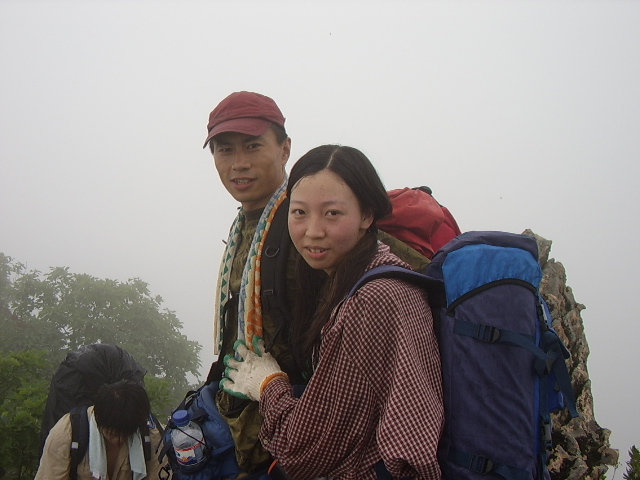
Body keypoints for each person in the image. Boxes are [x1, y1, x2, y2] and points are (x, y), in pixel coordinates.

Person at [220, 145, 445, 480]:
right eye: (299, 212)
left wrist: (268, 384)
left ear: (367, 216)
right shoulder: (360, 276)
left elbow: (302, 453)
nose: (313, 230)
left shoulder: (371, 301)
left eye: (332, 213)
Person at [203, 91, 305, 472]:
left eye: (252, 146)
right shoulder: (244, 225)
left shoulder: (307, 225)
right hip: (241, 440)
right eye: (225, 149)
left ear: (284, 149)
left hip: (290, 447)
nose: (239, 163)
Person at [36, 379, 164, 480]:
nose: (119, 440)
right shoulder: (67, 433)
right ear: (98, 419)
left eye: (127, 434)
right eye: (113, 434)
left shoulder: (152, 435)